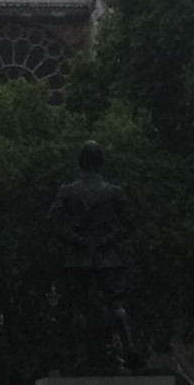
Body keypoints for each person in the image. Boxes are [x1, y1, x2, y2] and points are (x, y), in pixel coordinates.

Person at [48, 140, 138, 369]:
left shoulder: (67, 191)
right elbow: (129, 223)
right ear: (101, 163)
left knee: (79, 307)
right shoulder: (113, 192)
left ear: (80, 163)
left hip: (78, 258)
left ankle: (82, 357)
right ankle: (130, 348)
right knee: (116, 305)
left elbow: (53, 221)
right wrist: (107, 241)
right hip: (108, 257)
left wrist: (77, 241)